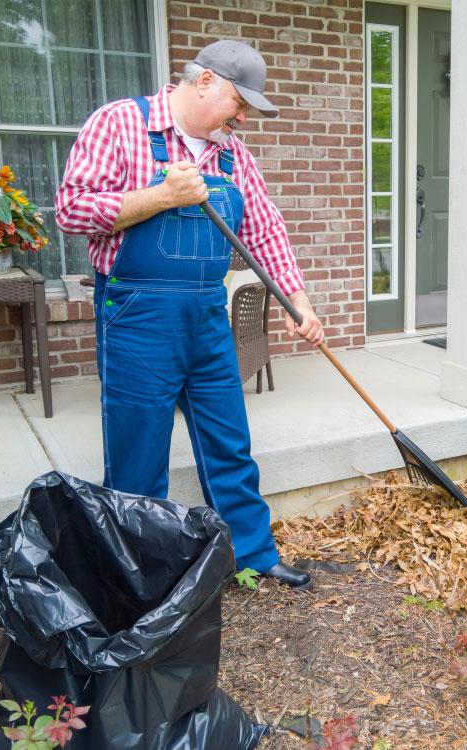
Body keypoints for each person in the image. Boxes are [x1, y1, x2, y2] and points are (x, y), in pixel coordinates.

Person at [55, 40, 323, 589]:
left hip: (205, 311)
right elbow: (71, 209)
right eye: (239, 102)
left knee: (229, 439)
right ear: (204, 82)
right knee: (138, 450)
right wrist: (160, 195)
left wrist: (300, 303)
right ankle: (141, 576)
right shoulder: (120, 124)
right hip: (137, 312)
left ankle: (252, 551)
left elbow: (264, 231)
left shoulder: (231, 154)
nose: (243, 116)